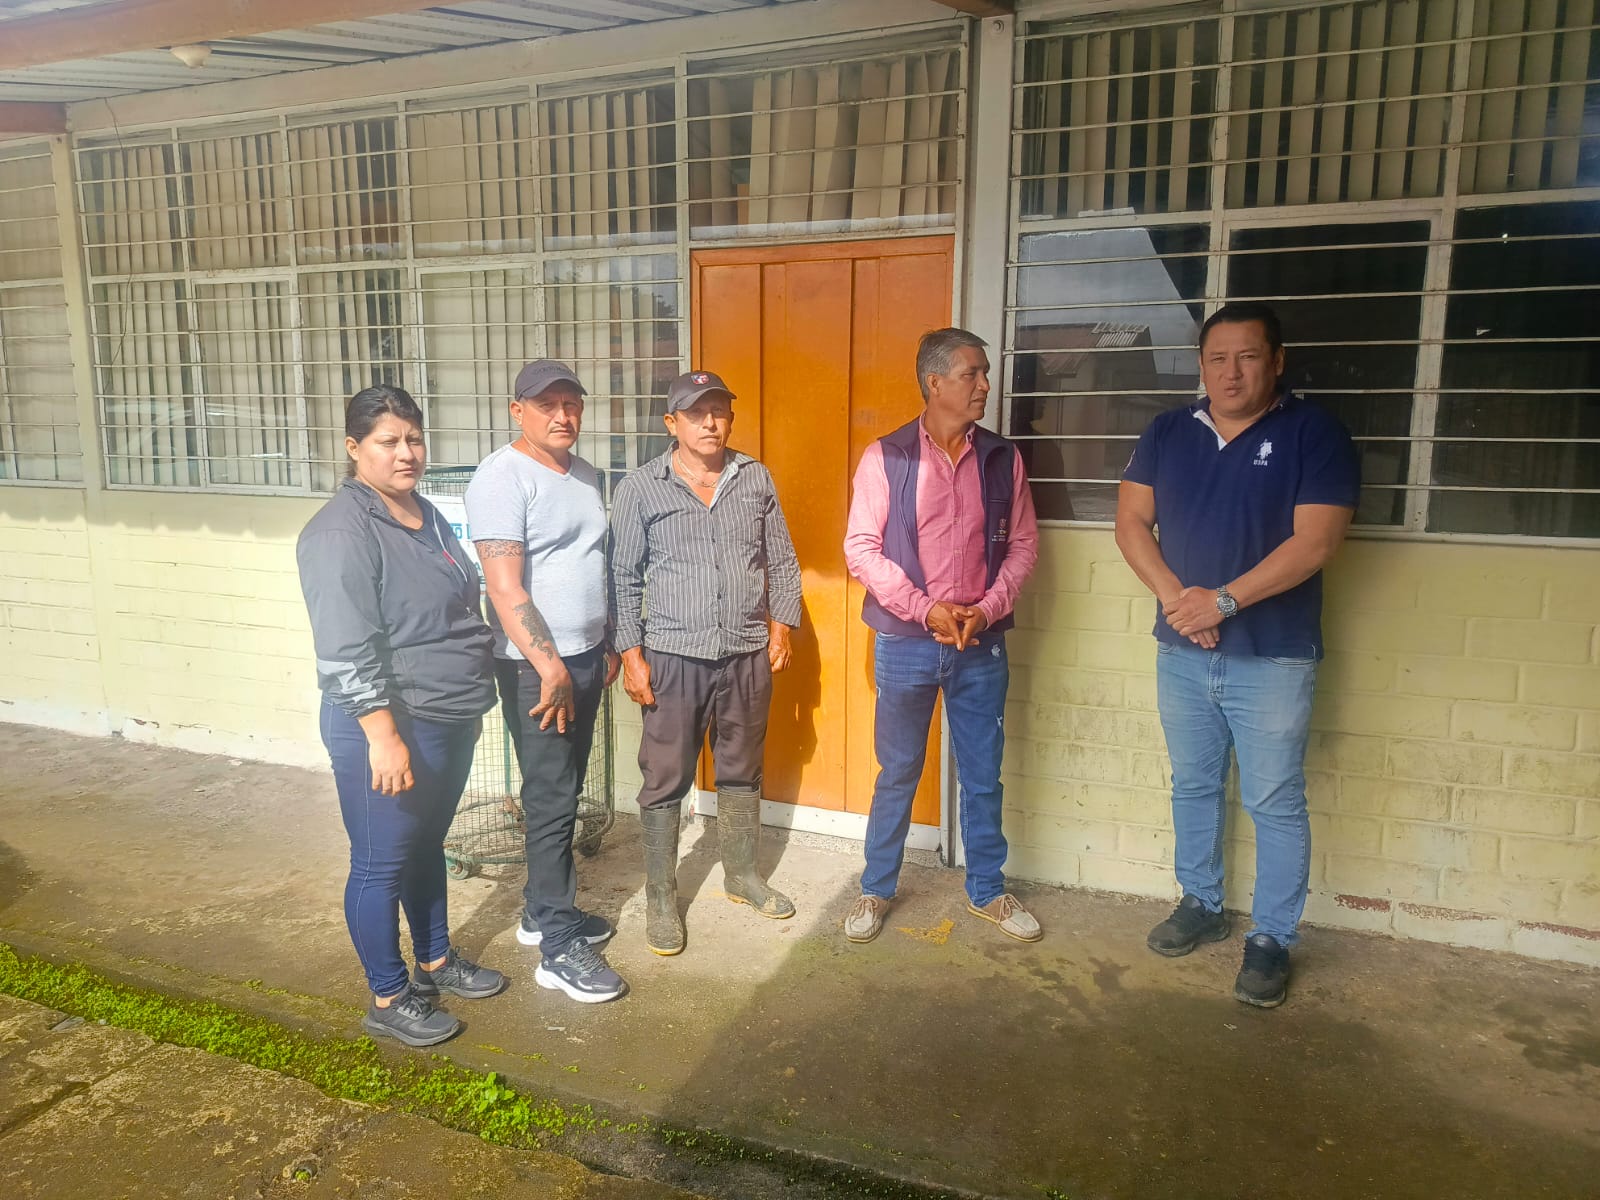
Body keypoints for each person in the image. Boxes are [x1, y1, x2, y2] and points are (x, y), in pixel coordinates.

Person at [1115, 300, 1359, 1009]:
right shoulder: (1168, 431)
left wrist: (1221, 602)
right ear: (1201, 365)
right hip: (1181, 651)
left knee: (1274, 799)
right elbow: (1130, 521)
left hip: (1273, 656)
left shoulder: (1314, 433)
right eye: (1217, 358)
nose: (1231, 372)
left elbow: (1317, 541)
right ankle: (1201, 901)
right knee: (1193, 784)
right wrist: (1178, 602)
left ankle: (1272, 938)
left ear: (1276, 362)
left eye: (1248, 357)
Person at [297, 384, 506, 1048]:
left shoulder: (424, 513)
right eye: (388, 442)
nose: (406, 453)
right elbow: (345, 648)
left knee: (424, 845)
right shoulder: (341, 532)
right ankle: (388, 996)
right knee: (379, 863)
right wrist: (382, 737)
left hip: (445, 714)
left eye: (413, 439)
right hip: (387, 727)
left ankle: (435, 961)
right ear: (354, 448)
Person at [841, 327, 1040, 945]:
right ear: (934, 382)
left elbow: (1024, 545)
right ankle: (876, 889)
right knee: (898, 770)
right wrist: (924, 610)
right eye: (971, 373)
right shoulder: (887, 457)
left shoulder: (1003, 458)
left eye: (984, 373)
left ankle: (987, 890)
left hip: (980, 643)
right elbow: (861, 549)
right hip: (906, 642)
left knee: (982, 773)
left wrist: (989, 607)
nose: (985, 385)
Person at [610, 370, 802, 956]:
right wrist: (631, 655)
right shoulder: (642, 488)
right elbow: (622, 577)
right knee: (665, 776)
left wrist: (781, 627)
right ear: (673, 423)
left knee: (741, 768)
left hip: (745, 651)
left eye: (719, 411)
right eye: (697, 413)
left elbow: (782, 561)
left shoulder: (754, 477)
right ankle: (661, 896)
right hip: (673, 655)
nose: (711, 423)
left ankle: (742, 875)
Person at [465, 361, 627, 1005]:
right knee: (553, 797)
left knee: (564, 785)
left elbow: (591, 563)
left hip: (584, 657)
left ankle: (540, 911)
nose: (563, 415)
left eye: (571, 404)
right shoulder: (501, 477)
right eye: (547, 405)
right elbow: (504, 588)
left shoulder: (583, 474)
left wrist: (603, 642)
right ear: (518, 411)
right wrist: (550, 666)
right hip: (536, 668)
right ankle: (559, 949)